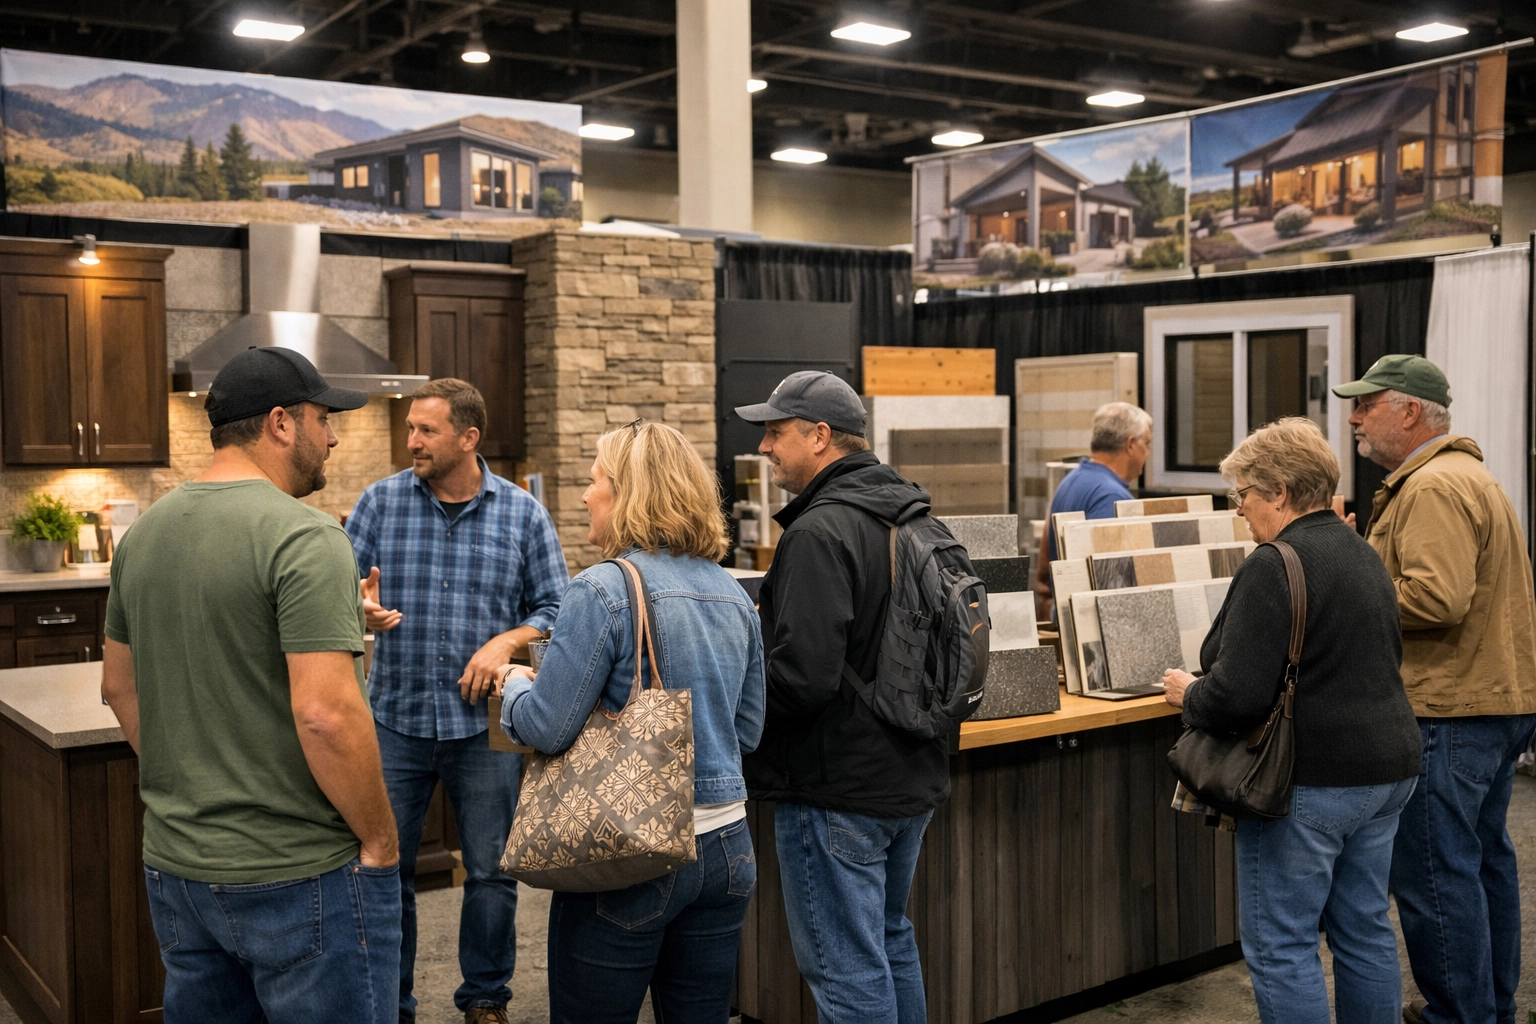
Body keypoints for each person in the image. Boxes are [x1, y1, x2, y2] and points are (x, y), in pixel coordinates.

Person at [100, 347, 401, 1024]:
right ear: (280, 423)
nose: (333, 437)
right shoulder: (308, 537)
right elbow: (326, 715)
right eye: (323, 418)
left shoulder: (143, 538)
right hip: (298, 874)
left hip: (177, 868)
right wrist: (381, 842)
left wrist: (196, 789)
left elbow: (118, 687)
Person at [495, 420, 765, 1024]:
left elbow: (546, 726)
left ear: (629, 494)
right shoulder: (733, 592)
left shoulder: (603, 589)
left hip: (633, 845)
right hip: (727, 849)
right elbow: (745, 732)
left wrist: (514, 688)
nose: (585, 495)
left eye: (595, 482)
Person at [1161, 417, 1421, 1024]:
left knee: (1282, 946)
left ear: (1277, 491)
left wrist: (1188, 695)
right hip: (1388, 770)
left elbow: (1236, 695)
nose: (1241, 510)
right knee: (1363, 929)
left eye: (1243, 494)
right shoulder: (1362, 550)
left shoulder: (1274, 563)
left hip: (1311, 782)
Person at [345, 378, 567, 1024]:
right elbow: (332, 589)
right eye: (410, 428)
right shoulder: (379, 504)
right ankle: (393, 1002)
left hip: (486, 728)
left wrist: (508, 642)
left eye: (426, 430)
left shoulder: (523, 513)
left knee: (494, 874)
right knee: (386, 868)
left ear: (468, 438)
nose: (410, 440)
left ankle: (486, 1000)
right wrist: (357, 607)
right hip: (395, 718)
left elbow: (555, 609)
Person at [735, 370, 943, 1024]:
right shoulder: (913, 514)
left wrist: (732, 696)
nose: (764, 448)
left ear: (820, 435)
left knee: (847, 971)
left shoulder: (819, 532)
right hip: (908, 773)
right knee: (888, 939)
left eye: (775, 432)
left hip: (835, 791)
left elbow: (802, 678)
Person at [1333, 355, 1536, 1024]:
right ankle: (1486, 1008)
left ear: (1410, 410)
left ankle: (1459, 1015)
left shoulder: (1432, 488)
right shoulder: (1463, 476)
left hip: (1445, 711)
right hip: (1488, 704)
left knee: (1433, 876)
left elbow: (1435, 599)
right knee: (1480, 868)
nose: (1355, 418)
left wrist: (1347, 586)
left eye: (1368, 405)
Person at [1034, 401, 1153, 618]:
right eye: (1147, 443)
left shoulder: (1071, 481)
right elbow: (1112, 584)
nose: (1147, 453)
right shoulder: (1113, 498)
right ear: (1130, 445)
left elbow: (1044, 566)